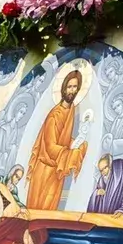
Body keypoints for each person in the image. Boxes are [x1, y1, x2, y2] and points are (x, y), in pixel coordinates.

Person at [26, 69, 89, 210]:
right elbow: (50, 147)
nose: (72, 90)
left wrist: (77, 144)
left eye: (75, 87)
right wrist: (72, 154)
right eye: (69, 87)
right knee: (39, 212)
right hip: (45, 171)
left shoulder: (71, 110)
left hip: (56, 172)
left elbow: (63, 139)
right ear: (63, 89)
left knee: (50, 214)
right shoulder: (54, 116)